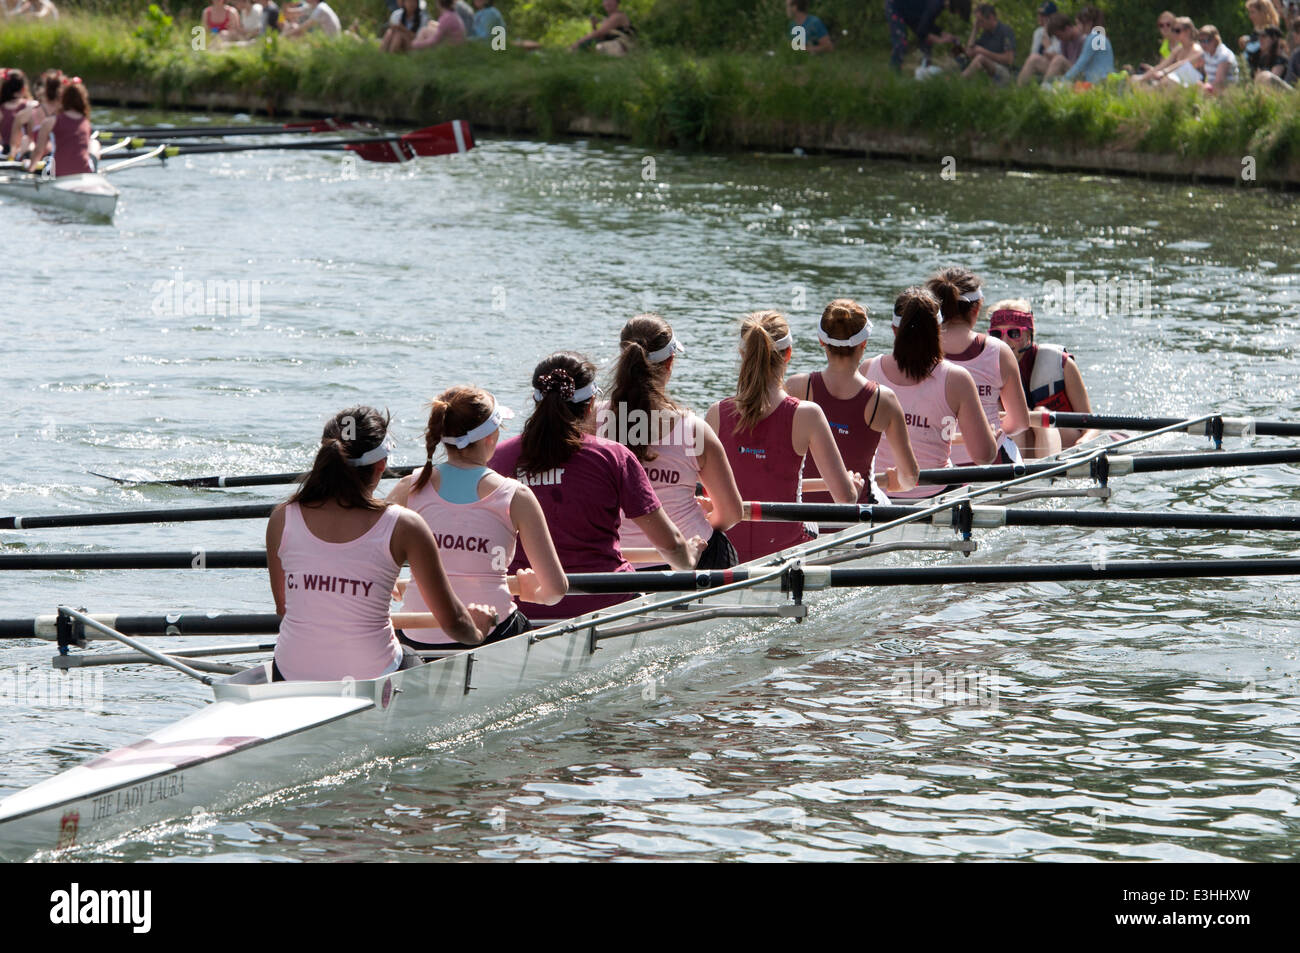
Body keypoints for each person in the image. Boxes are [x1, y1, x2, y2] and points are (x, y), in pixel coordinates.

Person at [268, 407, 495, 682]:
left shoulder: (282, 517)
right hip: (373, 675)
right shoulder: (405, 525)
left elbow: (284, 610)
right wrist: (479, 631)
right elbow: (454, 623)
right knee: (413, 658)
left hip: (289, 673)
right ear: (381, 465)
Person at [490, 352, 705, 620]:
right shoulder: (614, 456)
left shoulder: (498, 458)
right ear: (591, 403)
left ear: (535, 400)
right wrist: (689, 560)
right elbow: (671, 545)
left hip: (523, 609)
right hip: (606, 603)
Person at [386, 387, 567, 649]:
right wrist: (533, 592)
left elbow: (364, 553)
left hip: (417, 634)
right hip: (492, 633)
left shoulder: (408, 487)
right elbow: (555, 591)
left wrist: (388, 580)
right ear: (491, 437)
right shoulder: (517, 496)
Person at [706, 311, 865, 564]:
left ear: (743, 355)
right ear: (788, 354)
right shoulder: (808, 414)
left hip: (726, 555)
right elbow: (844, 500)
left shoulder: (715, 414)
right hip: (784, 554)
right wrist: (852, 488)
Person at [601, 315, 744, 569]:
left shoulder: (592, 422)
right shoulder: (693, 430)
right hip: (688, 558)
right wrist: (705, 518)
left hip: (616, 562)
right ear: (670, 363)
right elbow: (732, 513)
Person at [861, 288, 996, 498]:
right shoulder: (957, 379)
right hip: (934, 495)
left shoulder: (867, 370)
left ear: (895, 329)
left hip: (876, 495)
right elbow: (984, 457)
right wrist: (991, 436)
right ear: (939, 330)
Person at [785, 299, 919, 502]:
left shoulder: (796, 387)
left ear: (822, 341)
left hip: (803, 519)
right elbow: (910, 478)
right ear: (864, 343)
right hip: (856, 519)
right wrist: (890, 481)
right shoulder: (884, 399)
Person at [927, 269, 1029, 464]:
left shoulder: (917, 349)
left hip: (932, 463)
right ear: (976, 309)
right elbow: (1020, 422)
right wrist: (983, 431)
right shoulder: (997, 350)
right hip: (988, 461)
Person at [987, 300, 1096, 452]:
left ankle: (1045, 467)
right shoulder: (986, 371)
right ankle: (1015, 468)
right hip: (1019, 441)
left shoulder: (1062, 364)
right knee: (1009, 414)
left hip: (1065, 442)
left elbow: (1092, 426)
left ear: (1028, 335)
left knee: (1040, 413)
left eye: (1014, 333)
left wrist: (1083, 443)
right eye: (996, 334)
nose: (1004, 341)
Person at [27, 77, 97, 177]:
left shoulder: (50, 121)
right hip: (84, 172)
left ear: (62, 99)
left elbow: (39, 151)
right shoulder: (85, 122)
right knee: (95, 144)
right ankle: (95, 175)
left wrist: (30, 171)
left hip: (57, 173)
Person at [885, 0, 969, 72]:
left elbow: (927, 23)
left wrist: (943, 34)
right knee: (901, 43)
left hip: (911, 12)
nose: (955, 13)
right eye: (958, 11)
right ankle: (893, 72)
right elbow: (921, 31)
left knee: (926, 41)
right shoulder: (936, 4)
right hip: (895, 5)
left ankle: (924, 68)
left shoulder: (939, 4)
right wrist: (940, 40)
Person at [1133, 18, 1203, 87]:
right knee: (1138, 79)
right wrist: (1143, 77)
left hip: (1194, 83)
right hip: (1179, 81)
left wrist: (1163, 72)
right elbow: (1162, 65)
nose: (1174, 33)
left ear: (1188, 31)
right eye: (1173, 30)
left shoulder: (1197, 49)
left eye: (1177, 31)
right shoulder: (1179, 49)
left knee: (1166, 81)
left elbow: (1183, 64)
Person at [7, 68, 59, 159]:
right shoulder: (69, 111)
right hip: (50, 157)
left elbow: (15, 145)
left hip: (40, 156)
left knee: (26, 140)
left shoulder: (29, 112)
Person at [959, 3, 1016, 83]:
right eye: (978, 22)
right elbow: (969, 52)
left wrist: (984, 52)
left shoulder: (1006, 31)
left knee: (980, 58)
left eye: (981, 21)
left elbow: (1009, 60)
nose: (980, 25)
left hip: (1004, 71)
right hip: (986, 70)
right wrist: (975, 29)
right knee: (962, 59)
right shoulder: (985, 34)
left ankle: (958, 82)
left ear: (991, 17)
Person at [1061, 7, 1114, 84]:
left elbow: (1080, 63)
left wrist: (1063, 79)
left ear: (1089, 23)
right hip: (1104, 79)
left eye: (1078, 24)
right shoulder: (1099, 36)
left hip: (1098, 82)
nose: (1077, 27)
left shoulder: (1093, 38)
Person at [1017, 1, 1063, 84]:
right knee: (1032, 58)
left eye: (1043, 15)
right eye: (1039, 14)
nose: (1040, 17)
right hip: (1040, 66)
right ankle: (1018, 89)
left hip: (1056, 68)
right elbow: (1033, 53)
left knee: (1034, 59)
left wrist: (1047, 41)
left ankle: (1043, 90)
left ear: (1052, 17)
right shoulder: (1038, 32)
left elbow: (1057, 56)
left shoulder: (1059, 32)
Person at [570, 0, 635, 55]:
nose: (607, 2)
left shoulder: (618, 16)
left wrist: (578, 42)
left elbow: (599, 33)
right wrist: (594, 26)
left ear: (617, 2)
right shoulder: (607, 19)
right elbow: (601, 37)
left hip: (621, 45)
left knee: (595, 46)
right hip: (609, 43)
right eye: (605, 0)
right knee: (589, 43)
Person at [1039, 13, 1083, 82]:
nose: (1059, 39)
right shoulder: (1064, 41)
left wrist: (1057, 58)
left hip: (1081, 75)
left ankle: (1044, 90)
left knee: (1059, 59)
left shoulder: (1083, 39)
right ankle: (1019, 89)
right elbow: (1064, 61)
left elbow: (1081, 65)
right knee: (1034, 58)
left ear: (1067, 29)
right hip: (1067, 72)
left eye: (1059, 36)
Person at [0, 68, 32, 159]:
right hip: (24, 152)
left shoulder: (2, 108)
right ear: (23, 88)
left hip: (5, 151)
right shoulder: (30, 106)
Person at [1197, 26, 1240, 92]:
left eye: (1206, 41)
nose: (1203, 44)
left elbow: (1219, 82)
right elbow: (1188, 63)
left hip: (1227, 92)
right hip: (1211, 89)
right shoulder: (1206, 53)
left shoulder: (1224, 54)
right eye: (1200, 41)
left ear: (1215, 39)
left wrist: (1202, 87)